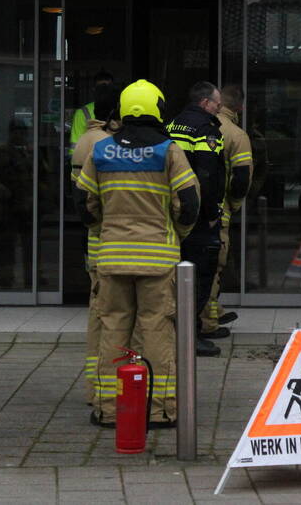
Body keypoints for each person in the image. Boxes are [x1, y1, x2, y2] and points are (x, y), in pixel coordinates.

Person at [75, 79, 199, 428]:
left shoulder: (101, 151)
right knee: (157, 331)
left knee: (113, 329)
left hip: (112, 259)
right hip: (158, 260)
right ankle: (160, 410)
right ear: (157, 108)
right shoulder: (169, 151)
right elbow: (189, 204)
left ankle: (109, 409)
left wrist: (104, 229)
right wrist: (177, 233)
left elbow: (83, 205)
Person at [70, 82, 121, 406]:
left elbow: (81, 197)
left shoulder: (83, 141)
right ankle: (106, 385)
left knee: (98, 309)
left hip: (93, 237)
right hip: (107, 238)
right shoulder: (105, 144)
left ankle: (95, 384)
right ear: (113, 117)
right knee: (111, 314)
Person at [167, 81, 226, 357]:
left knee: (179, 273)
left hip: (176, 211)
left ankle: (178, 332)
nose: (220, 107)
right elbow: (208, 173)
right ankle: (192, 335)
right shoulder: (206, 129)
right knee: (201, 273)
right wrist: (213, 212)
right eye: (216, 103)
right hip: (200, 216)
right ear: (205, 103)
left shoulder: (173, 124)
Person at [199, 84, 253, 339]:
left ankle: (212, 311)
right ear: (239, 107)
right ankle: (207, 322)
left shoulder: (197, 128)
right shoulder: (237, 135)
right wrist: (234, 204)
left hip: (191, 209)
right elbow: (242, 179)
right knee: (214, 265)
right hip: (219, 210)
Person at [0, 119, 35, 289]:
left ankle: (32, 278)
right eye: (18, 132)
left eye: (24, 132)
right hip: (6, 207)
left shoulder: (29, 152)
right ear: (11, 133)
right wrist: (2, 192)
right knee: (6, 247)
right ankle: (5, 279)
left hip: (26, 206)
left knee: (30, 246)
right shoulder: (0, 151)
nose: (21, 136)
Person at [69, 71, 114, 155]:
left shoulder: (120, 109)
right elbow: (75, 147)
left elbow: (75, 148)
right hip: (92, 162)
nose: (103, 92)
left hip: (111, 162)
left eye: (106, 88)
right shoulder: (82, 113)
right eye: (101, 88)